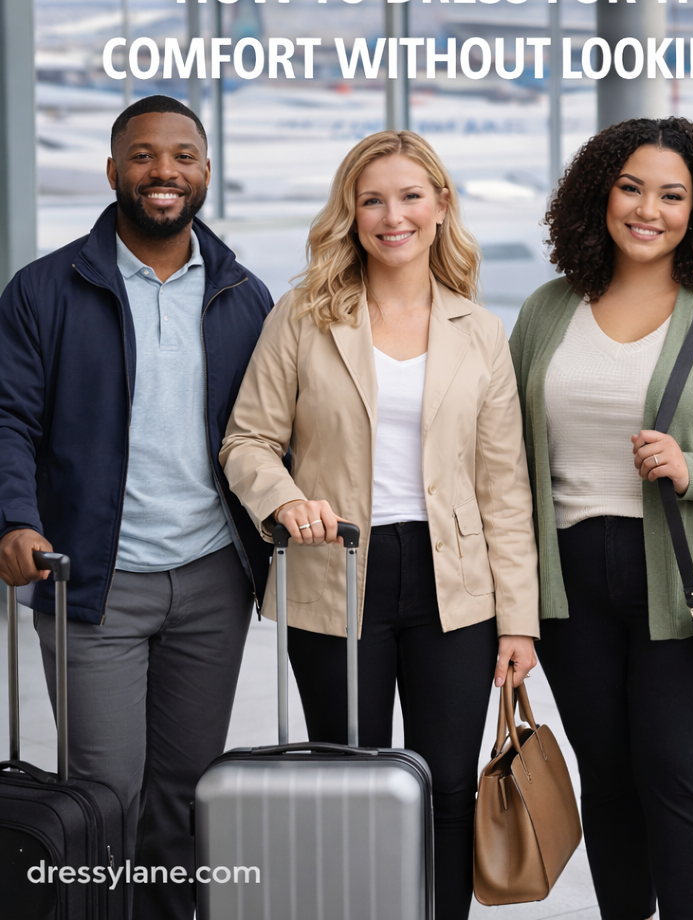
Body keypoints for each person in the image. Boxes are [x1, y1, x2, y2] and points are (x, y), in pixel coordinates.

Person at [219, 129, 540, 920]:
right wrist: (283, 499)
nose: (391, 216)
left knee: (446, 788)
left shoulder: (480, 331)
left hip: (454, 587)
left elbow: (505, 487)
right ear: (351, 214)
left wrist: (519, 622)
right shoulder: (303, 315)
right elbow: (247, 440)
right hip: (337, 570)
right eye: (371, 200)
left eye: (408, 196)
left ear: (440, 207)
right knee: (353, 781)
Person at [508, 116, 693, 920]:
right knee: (607, 779)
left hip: (688, 586)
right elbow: (505, 450)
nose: (649, 209)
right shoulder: (546, 310)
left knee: (681, 779)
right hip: (571, 587)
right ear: (599, 195)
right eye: (632, 187)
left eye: (672, 195)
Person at [0, 95, 273, 919]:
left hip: (210, 579)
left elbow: (271, 431)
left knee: (185, 795)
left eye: (183, 156)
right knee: (105, 790)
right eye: (145, 156)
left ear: (206, 173)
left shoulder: (243, 294)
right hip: (92, 578)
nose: (165, 172)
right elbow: (8, 417)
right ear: (113, 170)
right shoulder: (46, 289)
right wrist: (15, 519)